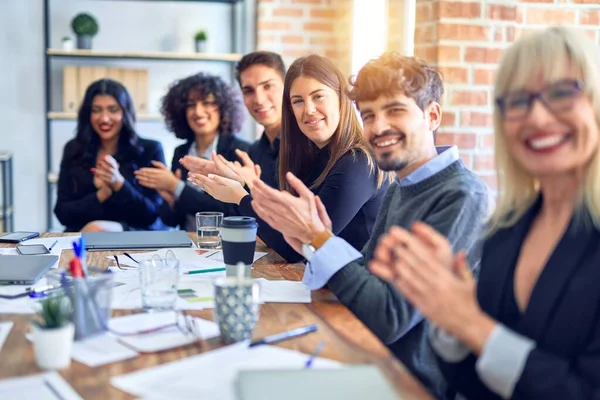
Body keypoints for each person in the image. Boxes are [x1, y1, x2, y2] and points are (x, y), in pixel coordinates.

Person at [370, 27, 600, 400]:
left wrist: (473, 324)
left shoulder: (468, 195)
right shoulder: (506, 230)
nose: (538, 117)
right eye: (518, 101)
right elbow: (474, 382)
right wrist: (450, 320)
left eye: (561, 93)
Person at [247, 52, 492, 398]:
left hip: (413, 381)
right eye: (369, 115)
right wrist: (309, 240)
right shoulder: (402, 186)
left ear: (432, 115)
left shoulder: (463, 196)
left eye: (395, 110)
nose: (378, 127)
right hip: (369, 354)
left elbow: (391, 317)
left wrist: (318, 238)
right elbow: (366, 270)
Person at [189, 54, 391, 263]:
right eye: (298, 101)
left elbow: (298, 248)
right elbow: (284, 228)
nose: (309, 109)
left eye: (318, 96)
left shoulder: (358, 162)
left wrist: (241, 196)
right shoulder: (315, 156)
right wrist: (243, 186)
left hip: (350, 291)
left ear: (341, 99)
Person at [134, 73, 249, 231]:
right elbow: (171, 221)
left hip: (227, 244)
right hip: (189, 246)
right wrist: (171, 202)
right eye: (191, 105)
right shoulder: (181, 152)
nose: (198, 111)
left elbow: (226, 211)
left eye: (207, 103)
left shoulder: (239, 150)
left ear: (223, 108)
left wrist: (176, 186)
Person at [54, 79, 165, 232]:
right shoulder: (73, 149)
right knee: (94, 229)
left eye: (113, 110)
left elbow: (151, 214)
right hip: (82, 236)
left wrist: (118, 183)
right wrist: (100, 195)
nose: (104, 118)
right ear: (88, 114)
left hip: (132, 237)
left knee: (98, 229)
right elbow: (62, 213)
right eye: (96, 110)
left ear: (125, 113)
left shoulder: (150, 150)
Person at [180, 51, 285, 192]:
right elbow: (251, 211)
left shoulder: (308, 145)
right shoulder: (255, 151)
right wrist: (240, 186)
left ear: (287, 86)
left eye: (267, 86)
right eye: (248, 91)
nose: (259, 100)